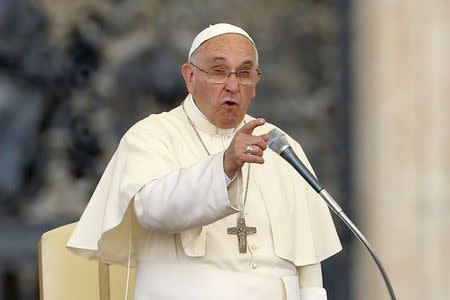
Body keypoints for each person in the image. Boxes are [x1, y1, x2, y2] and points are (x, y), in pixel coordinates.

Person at [67, 23, 342, 300]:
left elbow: (308, 260)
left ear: (256, 82)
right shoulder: (151, 135)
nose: (233, 85)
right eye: (219, 71)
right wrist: (224, 167)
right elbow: (153, 209)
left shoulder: (281, 145)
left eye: (244, 73)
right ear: (190, 77)